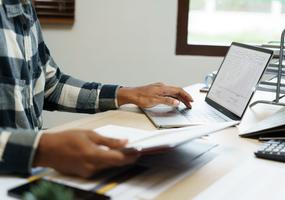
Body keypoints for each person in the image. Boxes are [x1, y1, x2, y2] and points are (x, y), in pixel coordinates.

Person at [0, 0, 193, 178]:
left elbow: (51, 85)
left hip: (25, 171)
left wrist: (127, 94)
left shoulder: (22, 6)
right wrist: (42, 149)